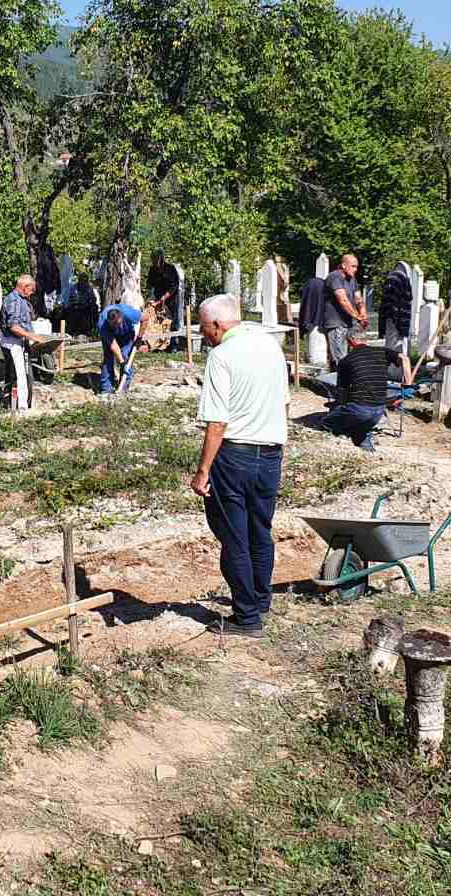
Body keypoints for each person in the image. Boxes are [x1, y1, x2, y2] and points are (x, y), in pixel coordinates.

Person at [189, 294, 289, 638]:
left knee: (234, 538)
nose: (204, 336)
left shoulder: (222, 357)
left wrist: (203, 471)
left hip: (234, 456)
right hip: (271, 454)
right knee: (260, 531)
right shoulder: (270, 347)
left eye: (204, 329)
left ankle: (246, 618)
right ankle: (260, 600)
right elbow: (284, 403)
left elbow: (217, 422)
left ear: (217, 325)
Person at [327, 339, 389, 450]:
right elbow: (404, 358)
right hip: (379, 411)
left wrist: (338, 406)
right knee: (362, 428)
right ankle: (367, 449)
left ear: (350, 342)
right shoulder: (382, 351)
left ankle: (340, 441)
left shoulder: (346, 361)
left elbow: (343, 392)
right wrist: (407, 383)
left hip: (360, 410)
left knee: (327, 422)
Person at [0, 274, 47, 412]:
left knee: (22, 375)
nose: (32, 293)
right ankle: (20, 407)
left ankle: (18, 404)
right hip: (13, 342)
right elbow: (13, 327)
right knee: (19, 376)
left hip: (19, 342)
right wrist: (32, 336)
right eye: (31, 290)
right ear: (25, 287)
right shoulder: (13, 300)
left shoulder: (21, 300)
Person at [322, 254, 367, 367]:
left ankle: (341, 379)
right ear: (343, 265)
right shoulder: (335, 277)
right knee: (339, 356)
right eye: (353, 266)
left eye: (356, 267)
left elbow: (358, 299)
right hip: (336, 323)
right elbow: (342, 299)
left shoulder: (352, 279)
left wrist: (363, 314)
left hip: (348, 323)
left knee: (346, 356)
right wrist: (358, 317)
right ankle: (339, 382)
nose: (355, 269)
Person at [98, 301, 144, 396]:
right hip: (110, 336)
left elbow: (146, 319)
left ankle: (124, 388)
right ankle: (106, 389)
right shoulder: (102, 324)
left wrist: (139, 337)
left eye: (118, 324)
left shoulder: (130, 314)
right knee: (108, 358)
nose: (116, 327)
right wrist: (121, 362)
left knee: (126, 356)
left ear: (122, 317)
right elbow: (114, 346)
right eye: (113, 325)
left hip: (127, 334)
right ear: (108, 321)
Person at [147, 251, 181, 350]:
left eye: (156, 259)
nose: (154, 261)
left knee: (172, 321)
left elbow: (174, 286)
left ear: (161, 258)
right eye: (153, 259)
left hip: (171, 298)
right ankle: (158, 344)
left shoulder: (170, 269)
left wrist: (164, 297)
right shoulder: (152, 270)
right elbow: (150, 285)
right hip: (157, 298)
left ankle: (173, 345)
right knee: (158, 321)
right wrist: (152, 298)